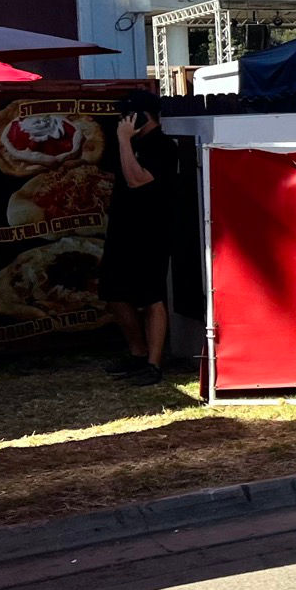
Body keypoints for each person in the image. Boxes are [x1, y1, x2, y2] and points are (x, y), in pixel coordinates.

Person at [102, 90, 180, 387]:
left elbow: (137, 180)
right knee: (114, 293)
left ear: (143, 117)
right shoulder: (132, 143)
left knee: (151, 297)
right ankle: (137, 353)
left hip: (151, 231)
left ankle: (154, 364)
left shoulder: (163, 147)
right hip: (122, 229)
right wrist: (124, 143)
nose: (122, 120)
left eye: (127, 115)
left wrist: (123, 140)